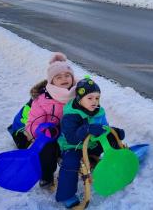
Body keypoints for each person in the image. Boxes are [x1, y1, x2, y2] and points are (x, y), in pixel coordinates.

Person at [8, 52, 77, 190]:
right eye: (59, 77)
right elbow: (32, 124)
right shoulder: (42, 100)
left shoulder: (78, 94)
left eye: (67, 75)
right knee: (47, 149)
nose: (64, 79)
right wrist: (43, 130)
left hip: (70, 132)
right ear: (51, 81)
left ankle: (90, 160)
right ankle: (47, 175)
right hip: (49, 134)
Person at [55, 76, 125, 208]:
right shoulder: (71, 115)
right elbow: (71, 137)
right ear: (79, 99)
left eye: (97, 98)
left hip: (91, 144)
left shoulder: (98, 111)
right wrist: (86, 129)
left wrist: (113, 132)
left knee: (111, 140)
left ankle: (118, 162)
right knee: (71, 162)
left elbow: (104, 127)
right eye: (90, 98)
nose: (94, 102)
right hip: (72, 146)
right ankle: (67, 194)